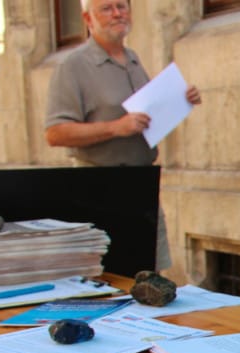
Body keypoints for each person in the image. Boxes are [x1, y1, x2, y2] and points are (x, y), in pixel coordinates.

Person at [44, 0, 201, 271]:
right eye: (106, 8)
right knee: (110, 275)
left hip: (142, 183)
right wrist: (115, 128)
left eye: (122, 6)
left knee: (150, 274)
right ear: (87, 18)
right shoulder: (73, 66)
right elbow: (55, 133)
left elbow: (146, 116)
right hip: (99, 185)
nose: (117, 13)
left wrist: (180, 99)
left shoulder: (133, 60)